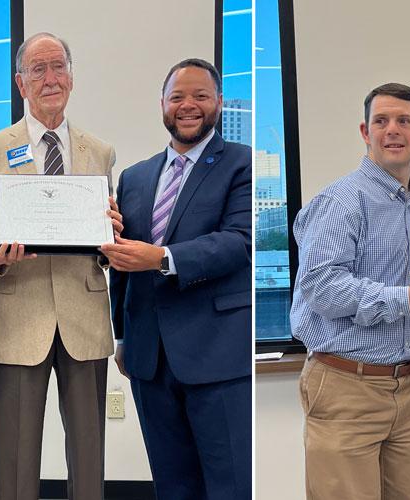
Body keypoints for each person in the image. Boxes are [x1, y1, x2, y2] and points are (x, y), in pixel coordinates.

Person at [0, 33, 117, 500]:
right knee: (14, 457)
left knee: (90, 459)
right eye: (38, 70)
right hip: (17, 317)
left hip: (84, 318)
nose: (50, 79)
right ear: (20, 83)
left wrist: (112, 234)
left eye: (58, 67)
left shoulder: (100, 152)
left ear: (71, 76)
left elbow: (106, 239)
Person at [101, 58, 252, 500]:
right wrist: (123, 336)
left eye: (200, 96)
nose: (188, 105)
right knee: (172, 484)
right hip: (149, 357)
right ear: (162, 104)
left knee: (230, 483)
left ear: (219, 103)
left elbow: (239, 242)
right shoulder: (135, 176)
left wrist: (162, 257)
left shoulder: (240, 163)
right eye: (177, 97)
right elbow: (123, 265)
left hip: (218, 353)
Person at [289, 83, 410, 500]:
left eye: (403, 121)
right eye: (381, 121)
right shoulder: (343, 201)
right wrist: (405, 299)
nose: (392, 130)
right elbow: (322, 287)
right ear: (365, 131)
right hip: (347, 388)